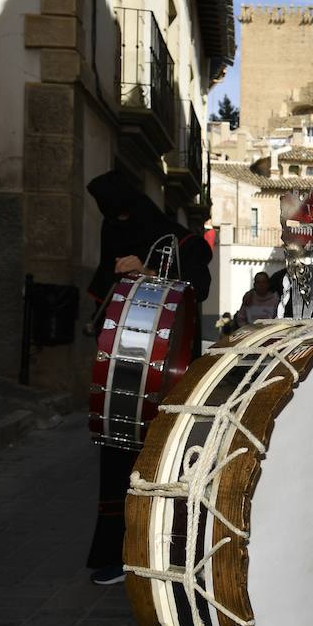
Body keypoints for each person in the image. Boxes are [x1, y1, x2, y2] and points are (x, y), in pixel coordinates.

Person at [85, 169, 212, 586]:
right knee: (118, 457)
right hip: (123, 376)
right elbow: (102, 304)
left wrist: (152, 271)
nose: (117, 228)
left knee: (166, 456)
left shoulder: (181, 242)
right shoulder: (115, 241)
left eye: (123, 218)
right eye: (111, 221)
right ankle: (116, 552)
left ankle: (170, 552)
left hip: (169, 373)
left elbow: (197, 287)